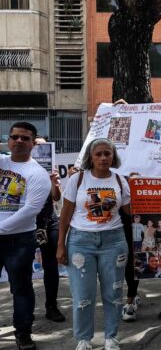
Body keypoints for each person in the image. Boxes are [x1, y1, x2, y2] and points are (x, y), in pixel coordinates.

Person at [57, 138, 129, 350]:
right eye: (98, 154)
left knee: (114, 293)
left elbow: (130, 211)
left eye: (107, 154)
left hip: (114, 241)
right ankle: (83, 339)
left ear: (113, 157)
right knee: (82, 295)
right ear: (90, 157)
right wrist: (61, 244)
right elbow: (65, 215)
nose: (103, 158)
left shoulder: (120, 181)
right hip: (81, 242)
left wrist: (142, 189)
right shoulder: (77, 180)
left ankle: (111, 337)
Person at [0, 123, 52, 350]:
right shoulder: (1, 163)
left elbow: (31, 209)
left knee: (20, 288)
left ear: (33, 142)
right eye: (14, 137)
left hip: (19, 240)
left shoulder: (38, 174)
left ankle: (23, 333)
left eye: (24, 138)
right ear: (8, 140)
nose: (18, 141)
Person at [33, 136, 66, 323]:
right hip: (24, 223)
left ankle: (51, 306)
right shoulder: (20, 169)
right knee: (20, 268)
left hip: (48, 220)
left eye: (44, 146)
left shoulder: (50, 170)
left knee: (51, 266)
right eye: (37, 146)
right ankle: (24, 309)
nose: (40, 150)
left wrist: (54, 184)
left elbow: (55, 197)